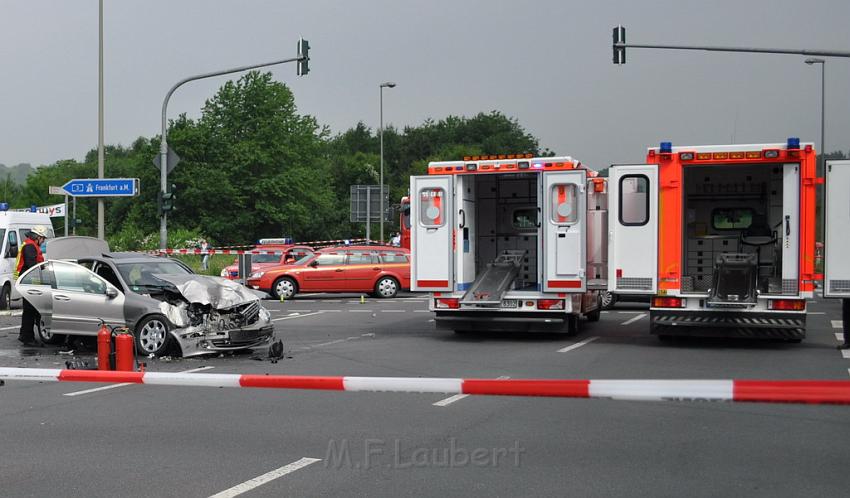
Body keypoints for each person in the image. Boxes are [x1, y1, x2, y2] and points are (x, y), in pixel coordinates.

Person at [16, 226, 48, 346]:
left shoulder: (29, 245)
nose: (43, 241)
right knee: (30, 310)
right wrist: (42, 269)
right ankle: (27, 338)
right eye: (43, 238)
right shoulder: (30, 247)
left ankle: (25, 335)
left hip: (28, 281)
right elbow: (32, 266)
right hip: (29, 282)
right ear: (37, 237)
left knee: (30, 310)